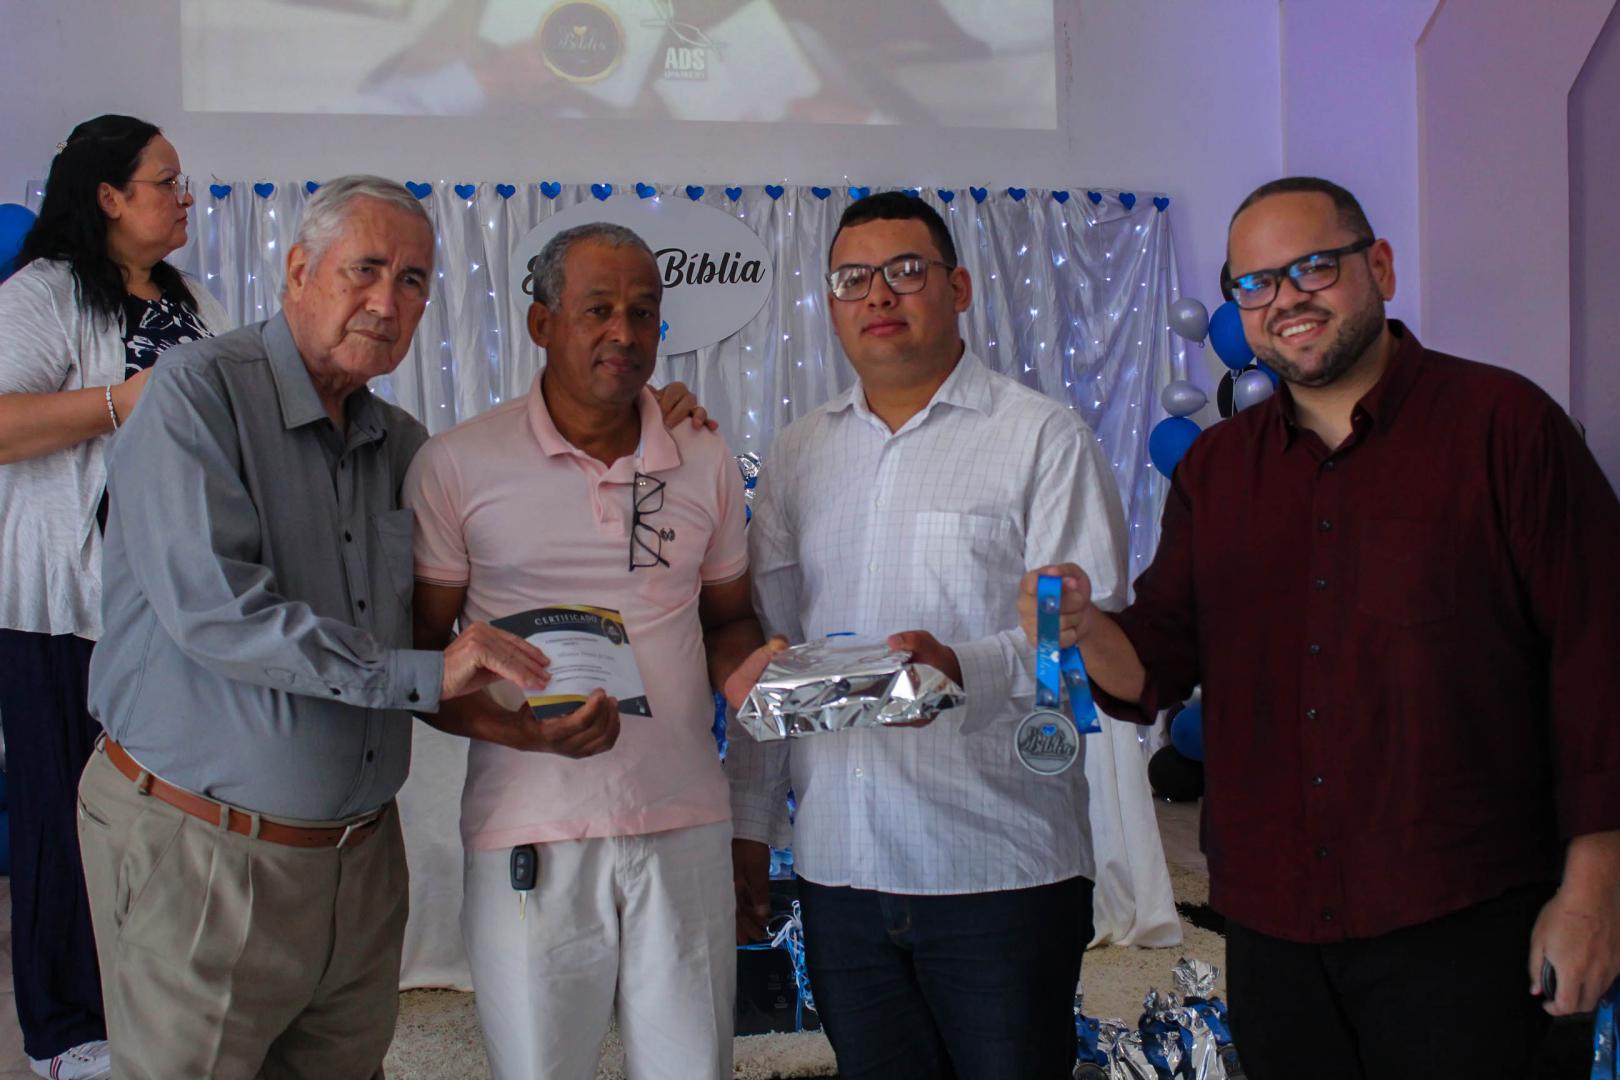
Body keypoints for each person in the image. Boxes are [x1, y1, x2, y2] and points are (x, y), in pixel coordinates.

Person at [1022, 176, 1620, 1079]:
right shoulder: (1219, 470)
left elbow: (1598, 665)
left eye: (1313, 267)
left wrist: (1595, 893)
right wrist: (1082, 625)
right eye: (1255, 283)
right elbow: (1157, 660)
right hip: (1277, 924)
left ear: (1378, 266)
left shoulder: (1506, 428)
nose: (1286, 299)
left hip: (1465, 915)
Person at [726, 192, 1129, 1079]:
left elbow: (1079, 655)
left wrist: (962, 670)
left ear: (959, 287)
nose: (878, 294)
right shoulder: (798, 453)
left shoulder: (1040, 438)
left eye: (906, 271)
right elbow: (772, 650)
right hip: (841, 867)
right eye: (852, 278)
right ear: (830, 303)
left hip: (998, 864)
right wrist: (749, 826)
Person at [405, 221, 776, 1080]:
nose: (624, 332)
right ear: (541, 324)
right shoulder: (457, 464)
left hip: (684, 820)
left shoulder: (702, 455)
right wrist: (522, 734)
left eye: (643, 313)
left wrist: (748, 677)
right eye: (597, 309)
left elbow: (727, 619)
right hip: (528, 830)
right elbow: (420, 666)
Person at [0, 114, 230, 1080]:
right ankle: (67, 1035)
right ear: (108, 197)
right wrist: (117, 403)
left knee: (170, 821)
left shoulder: (192, 298)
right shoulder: (43, 293)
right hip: (67, 610)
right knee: (64, 817)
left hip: (178, 608)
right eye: (165, 182)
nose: (185, 197)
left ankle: (153, 1007)